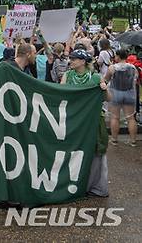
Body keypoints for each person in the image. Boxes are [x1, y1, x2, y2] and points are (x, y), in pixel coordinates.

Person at [60, 49, 110, 197]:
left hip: (93, 121)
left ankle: (97, 187)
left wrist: (105, 89)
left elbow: (109, 98)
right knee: (74, 152)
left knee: (95, 153)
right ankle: (74, 185)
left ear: (82, 61)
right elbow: (60, 92)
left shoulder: (95, 77)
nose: (71, 61)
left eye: (74, 59)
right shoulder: (68, 75)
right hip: (74, 120)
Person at [103, 49, 138, 146]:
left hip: (116, 93)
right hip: (129, 93)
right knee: (131, 118)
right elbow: (135, 80)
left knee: (115, 117)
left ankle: (114, 139)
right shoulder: (133, 68)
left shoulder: (112, 67)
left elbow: (106, 79)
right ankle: (133, 141)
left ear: (118, 56)